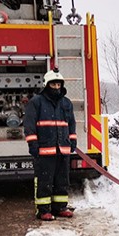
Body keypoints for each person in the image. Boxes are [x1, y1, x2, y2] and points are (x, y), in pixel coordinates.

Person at [24, 68, 77, 221]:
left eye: (58, 85)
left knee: (62, 180)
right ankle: (43, 210)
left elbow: (71, 123)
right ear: (47, 85)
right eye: (53, 85)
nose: (56, 88)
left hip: (63, 149)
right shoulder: (36, 102)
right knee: (45, 181)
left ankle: (60, 207)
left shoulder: (66, 103)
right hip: (44, 150)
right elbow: (29, 124)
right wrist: (32, 144)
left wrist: (72, 139)